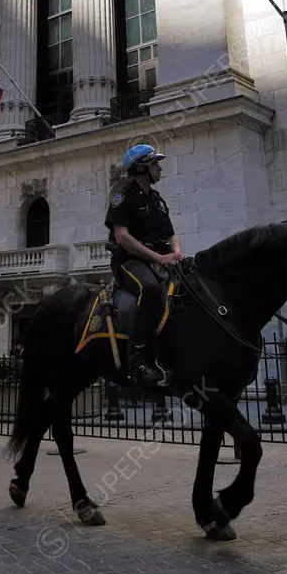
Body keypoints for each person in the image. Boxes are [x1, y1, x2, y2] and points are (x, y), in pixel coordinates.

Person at [104, 144, 184, 390]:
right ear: (141, 168)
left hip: (162, 260)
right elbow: (122, 236)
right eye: (154, 163)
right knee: (149, 290)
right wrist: (158, 259)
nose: (159, 168)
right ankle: (138, 362)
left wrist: (177, 252)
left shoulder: (158, 200)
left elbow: (172, 234)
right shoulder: (122, 195)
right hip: (131, 262)